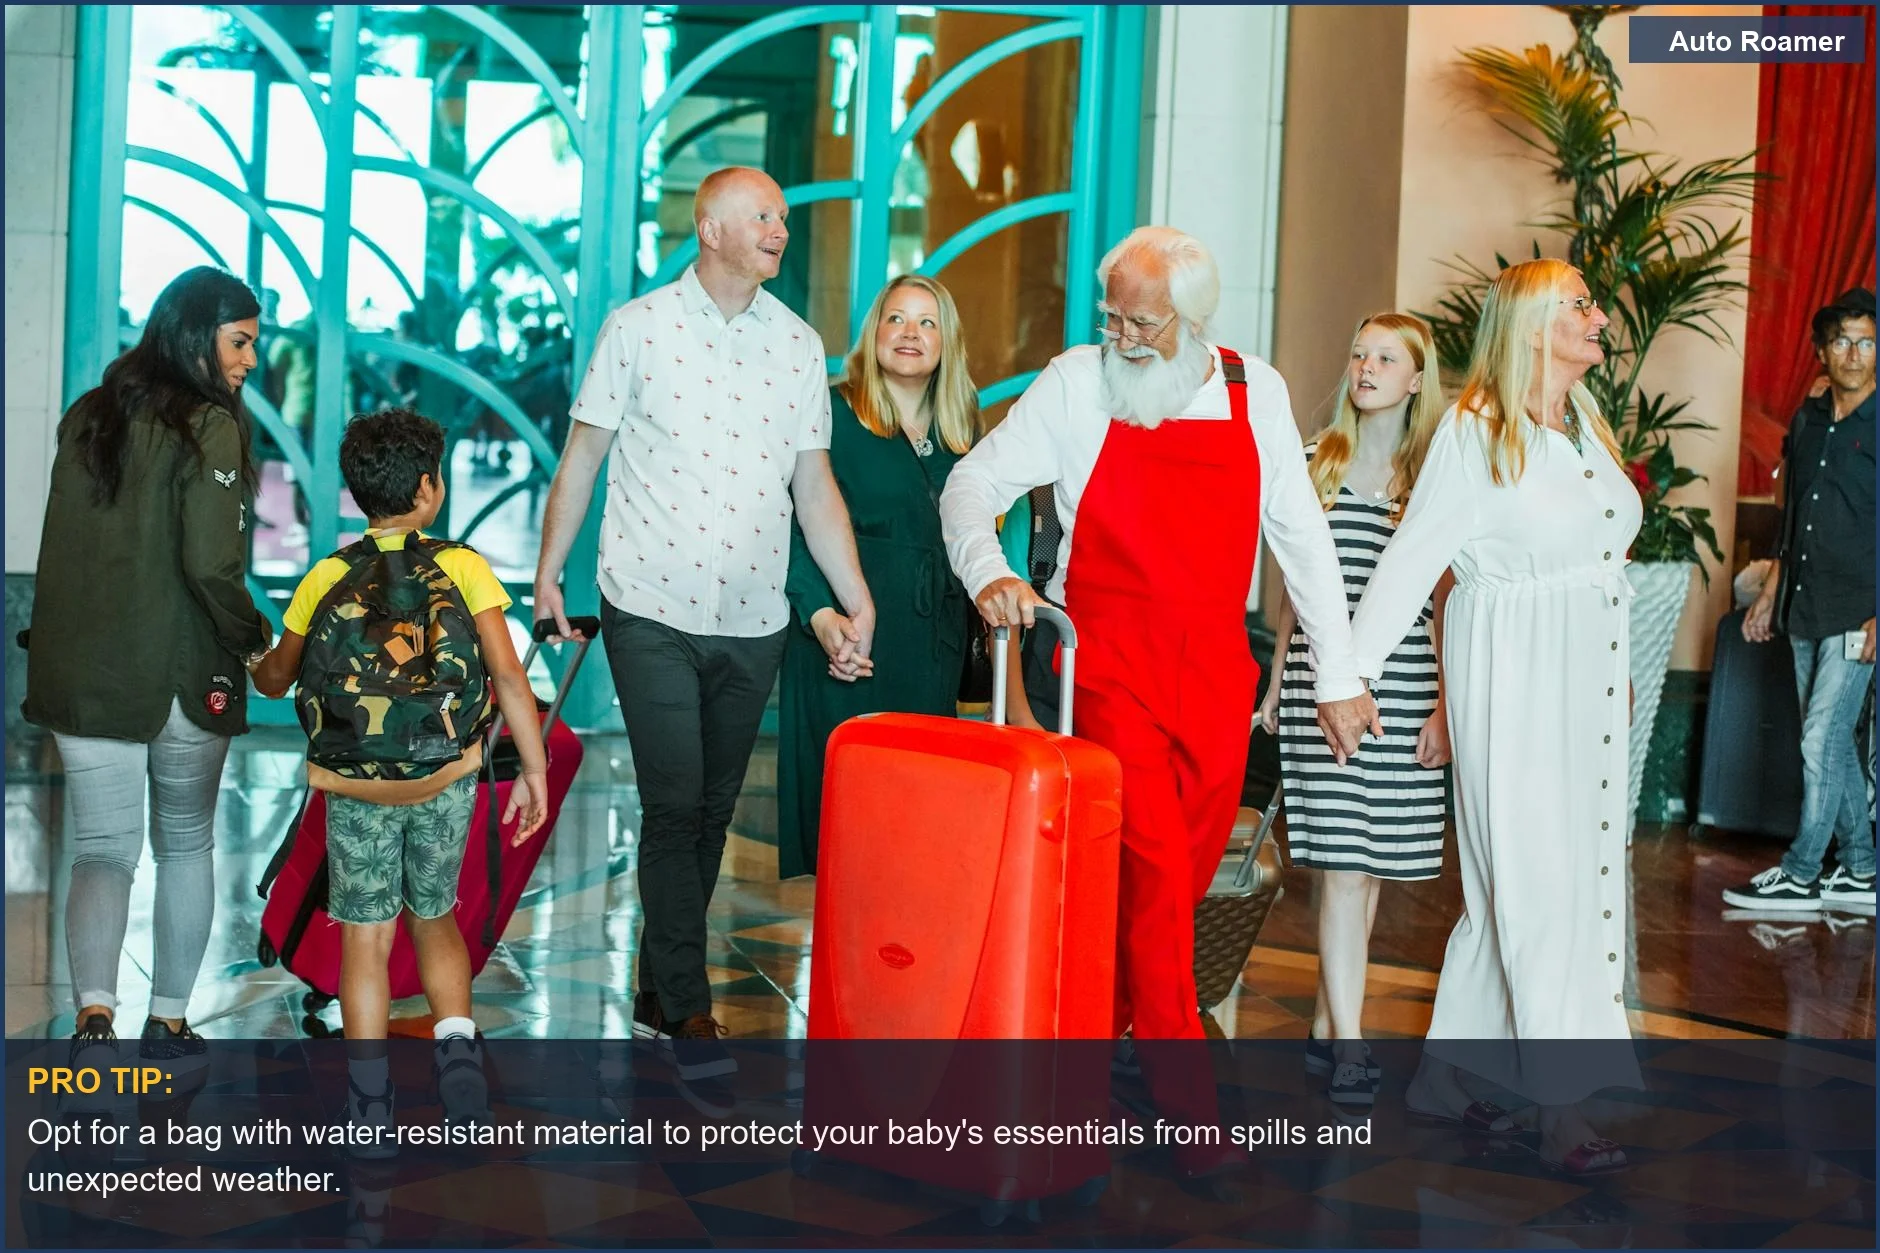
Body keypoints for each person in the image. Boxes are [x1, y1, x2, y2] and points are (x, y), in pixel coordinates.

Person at [939, 225, 1381, 1179]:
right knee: (1150, 884)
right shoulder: (1075, 381)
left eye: (1142, 321)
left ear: (1190, 317)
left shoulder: (1250, 389)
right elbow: (971, 483)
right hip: (1106, 673)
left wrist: (1339, 676)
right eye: (1113, 317)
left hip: (1218, 675)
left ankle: (1067, 1069)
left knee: (1171, 888)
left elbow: (1301, 535)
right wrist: (989, 574)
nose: (1123, 336)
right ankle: (1190, 1112)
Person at [533, 167, 872, 1081]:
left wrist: (855, 592)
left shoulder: (799, 346)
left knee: (711, 810)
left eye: (785, 217)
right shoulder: (637, 329)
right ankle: (688, 1007)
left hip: (754, 615)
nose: (780, 230)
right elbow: (584, 457)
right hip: (648, 606)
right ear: (711, 226)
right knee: (675, 800)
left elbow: (814, 484)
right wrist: (547, 573)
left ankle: (654, 991)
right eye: (764, 215)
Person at [1346, 258, 1643, 1176]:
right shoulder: (1476, 432)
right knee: (1538, 883)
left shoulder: (1584, 422)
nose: (1599, 316)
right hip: (1511, 673)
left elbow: (1600, 551)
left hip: (1582, 677)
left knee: (1524, 885)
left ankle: (1446, 1078)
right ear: (1530, 326)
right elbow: (1411, 559)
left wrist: (1615, 661)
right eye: (1580, 305)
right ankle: (1561, 1110)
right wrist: (1347, 676)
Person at [249, 408, 549, 1147]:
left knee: (365, 935)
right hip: (444, 773)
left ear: (357, 493)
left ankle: (370, 1093)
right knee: (435, 913)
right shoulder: (464, 566)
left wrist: (256, 660)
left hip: (354, 785)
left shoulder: (326, 573)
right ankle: (458, 1060)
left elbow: (278, 678)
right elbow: (507, 674)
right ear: (429, 486)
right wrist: (533, 768)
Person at [23, 266, 272, 1068]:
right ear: (198, 335)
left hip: (83, 671)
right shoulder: (211, 426)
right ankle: (166, 1022)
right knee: (185, 842)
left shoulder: (88, 416)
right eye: (239, 342)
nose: (249, 362)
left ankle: (94, 1015)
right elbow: (211, 564)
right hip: (176, 673)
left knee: (100, 847)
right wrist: (256, 638)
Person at [1253, 313, 1454, 1109]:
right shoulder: (1312, 465)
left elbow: (1442, 602)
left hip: (1405, 689)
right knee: (1341, 866)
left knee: (1370, 870)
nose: (1365, 366)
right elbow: (1298, 598)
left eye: (1386, 358)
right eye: (1358, 351)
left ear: (1415, 380)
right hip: (1323, 687)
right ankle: (1351, 1044)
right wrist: (1275, 686)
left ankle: (1326, 1023)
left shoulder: (1434, 479)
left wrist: (1442, 704)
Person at [777, 275, 980, 878]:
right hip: (844, 639)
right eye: (896, 319)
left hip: (929, 649)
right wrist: (820, 617)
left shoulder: (960, 427)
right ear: (874, 332)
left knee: (913, 823)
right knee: (849, 821)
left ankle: (899, 961)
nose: (910, 334)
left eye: (927, 322)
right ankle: (849, 964)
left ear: (948, 342)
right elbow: (785, 523)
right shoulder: (831, 411)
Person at [1725, 287, 1876, 912]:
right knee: (1830, 741)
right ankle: (1864, 869)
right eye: (1842, 341)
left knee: (1819, 738)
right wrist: (1769, 595)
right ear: (1822, 350)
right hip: (1805, 604)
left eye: (1868, 342)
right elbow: (1793, 522)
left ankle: (1803, 870)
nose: (1855, 353)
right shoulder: (1809, 421)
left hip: (1858, 611)